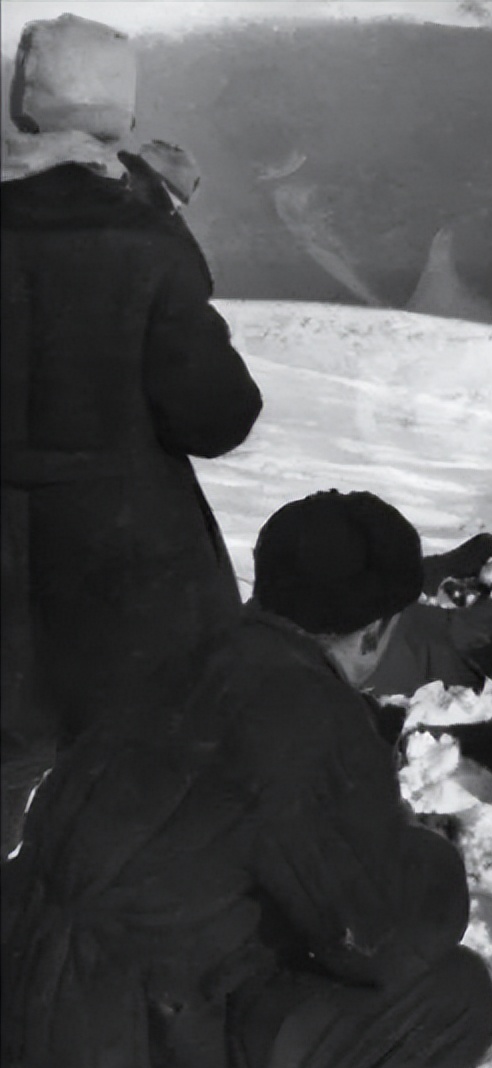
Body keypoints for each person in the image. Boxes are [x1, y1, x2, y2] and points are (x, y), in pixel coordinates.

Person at [0, 490, 492, 1068]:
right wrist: (434, 855)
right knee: (455, 1000)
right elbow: (380, 941)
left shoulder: (179, 657)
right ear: (374, 632)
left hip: (22, 984)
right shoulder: (304, 712)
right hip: (118, 1056)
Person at [1, 15, 262, 850]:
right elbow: (218, 417)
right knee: (125, 808)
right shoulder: (145, 237)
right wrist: (163, 217)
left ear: (22, 100)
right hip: (125, 573)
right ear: (122, 114)